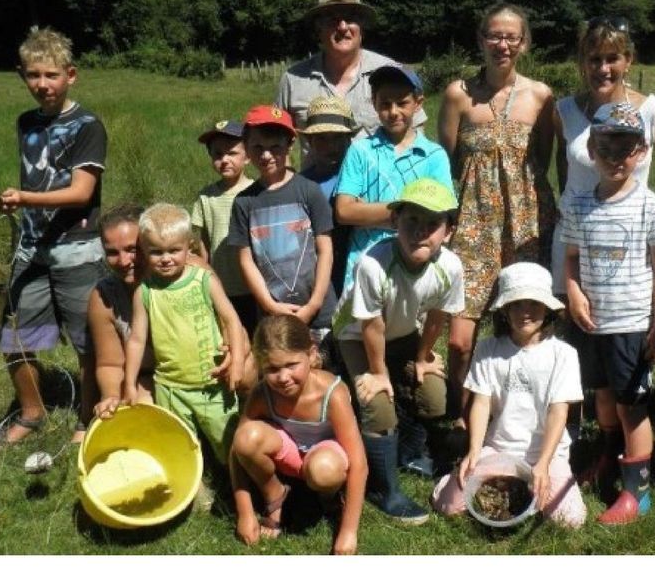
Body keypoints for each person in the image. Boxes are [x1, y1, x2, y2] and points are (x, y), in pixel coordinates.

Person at [438, 3, 557, 406]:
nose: (502, 44)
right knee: (459, 340)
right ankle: (461, 412)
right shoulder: (458, 95)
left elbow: (541, 161)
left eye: (511, 36)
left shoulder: (542, 96)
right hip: (472, 223)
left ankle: (512, 411)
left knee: (520, 327)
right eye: (494, 35)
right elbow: (445, 165)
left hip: (526, 223)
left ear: (524, 43)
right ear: (480, 39)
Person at [561, 103, 655, 525]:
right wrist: (573, 293)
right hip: (591, 322)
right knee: (603, 396)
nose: (615, 158)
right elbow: (571, 258)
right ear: (591, 150)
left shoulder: (648, 205)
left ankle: (635, 491)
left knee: (631, 405)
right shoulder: (578, 205)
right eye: (606, 147)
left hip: (630, 323)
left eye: (626, 149)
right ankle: (608, 458)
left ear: (642, 152)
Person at [0, 26, 107, 444]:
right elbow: (37, 176)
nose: (42, 84)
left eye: (51, 75)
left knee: (88, 341)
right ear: (23, 75)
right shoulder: (26, 123)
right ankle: (32, 410)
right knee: (14, 336)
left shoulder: (87, 125)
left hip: (77, 250)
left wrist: (22, 197)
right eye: (33, 75)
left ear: (71, 75)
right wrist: (16, 203)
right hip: (32, 249)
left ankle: (87, 417)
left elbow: (81, 192)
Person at [332, 179, 465, 525]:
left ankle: (409, 452)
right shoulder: (374, 263)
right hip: (357, 337)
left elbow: (437, 315)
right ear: (394, 223)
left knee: (436, 396)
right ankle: (384, 487)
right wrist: (379, 373)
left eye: (433, 224)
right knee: (377, 406)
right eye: (411, 221)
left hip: (404, 334)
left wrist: (421, 358)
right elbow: (370, 326)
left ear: (448, 231)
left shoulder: (449, 267)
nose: (420, 232)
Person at [433, 262, 586, 527]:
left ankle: (537, 485)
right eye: (516, 305)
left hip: (547, 455)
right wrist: (473, 450)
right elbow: (480, 403)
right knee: (449, 506)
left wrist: (543, 464)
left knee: (569, 520)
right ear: (504, 309)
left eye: (533, 304)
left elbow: (558, 411)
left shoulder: (564, 355)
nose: (525, 312)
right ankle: (455, 479)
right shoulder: (488, 348)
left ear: (547, 308)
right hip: (499, 449)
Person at [552, 16, 655, 291]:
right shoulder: (564, 111)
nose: (603, 68)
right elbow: (563, 162)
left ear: (628, 60)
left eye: (612, 58)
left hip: (629, 237)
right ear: (583, 62)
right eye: (594, 59)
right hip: (574, 238)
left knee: (626, 320)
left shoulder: (652, 112)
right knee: (568, 322)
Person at [108, 204, 248, 466]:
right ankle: (194, 489)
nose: (166, 258)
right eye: (156, 252)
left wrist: (237, 361)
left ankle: (237, 486)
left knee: (228, 442)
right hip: (171, 388)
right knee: (180, 443)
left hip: (212, 384)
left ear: (189, 248)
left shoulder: (204, 280)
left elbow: (231, 319)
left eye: (174, 250)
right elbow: (137, 340)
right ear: (144, 252)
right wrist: (129, 383)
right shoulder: (145, 292)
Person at [231, 316, 366, 552]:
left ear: (312, 355)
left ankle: (329, 497)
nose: (283, 378)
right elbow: (236, 451)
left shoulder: (332, 394)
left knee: (324, 470)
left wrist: (348, 532)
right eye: (272, 369)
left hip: (326, 458)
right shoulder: (263, 394)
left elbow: (359, 463)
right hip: (291, 457)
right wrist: (245, 512)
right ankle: (275, 495)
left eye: (291, 365)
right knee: (244, 437)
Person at [335, 63, 454, 291]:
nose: (393, 112)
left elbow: (442, 213)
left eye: (402, 103)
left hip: (416, 260)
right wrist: (413, 214)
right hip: (365, 259)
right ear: (374, 103)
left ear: (418, 103)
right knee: (365, 324)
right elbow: (344, 211)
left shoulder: (434, 155)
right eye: (385, 104)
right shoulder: (360, 151)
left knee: (410, 323)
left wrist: (368, 212)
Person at [227, 105, 336, 340]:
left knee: (323, 370)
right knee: (282, 373)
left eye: (275, 147)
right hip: (273, 314)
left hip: (319, 311)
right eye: (257, 147)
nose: (266, 155)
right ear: (246, 148)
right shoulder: (243, 202)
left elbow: (325, 250)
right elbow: (246, 262)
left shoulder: (309, 191)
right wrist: (270, 305)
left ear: (289, 145)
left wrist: (314, 305)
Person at [275, 0, 425, 136]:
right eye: (332, 19)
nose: (342, 27)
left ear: (362, 27)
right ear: (318, 28)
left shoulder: (392, 73)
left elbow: (415, 136)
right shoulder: (293, 80)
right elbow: (277, 141)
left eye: (351, 18)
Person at [87, 202, 154, 418]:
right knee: (137, 410)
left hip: (194, 371)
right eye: (112, 252)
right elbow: (109, 363)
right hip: (145, 377)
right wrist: (111, 396)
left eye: (132, 249)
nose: (124, 261)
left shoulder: (187, 273)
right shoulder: (103, 296)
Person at [190, 118, 256, 332]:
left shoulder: (256, 192)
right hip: (221, 285)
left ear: (247, 157)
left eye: (232, 153)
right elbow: (204, 245)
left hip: (253, 286)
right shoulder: (206, 196)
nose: (225, 160)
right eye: (217, 154)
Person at [297, 95, 357, 296]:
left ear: (349, 139)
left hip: (354, 264)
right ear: (310, 141)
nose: (331, 146)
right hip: (316, 270)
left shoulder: (358, 178)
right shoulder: (301, 184)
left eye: (337, 138)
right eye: (322, 138)